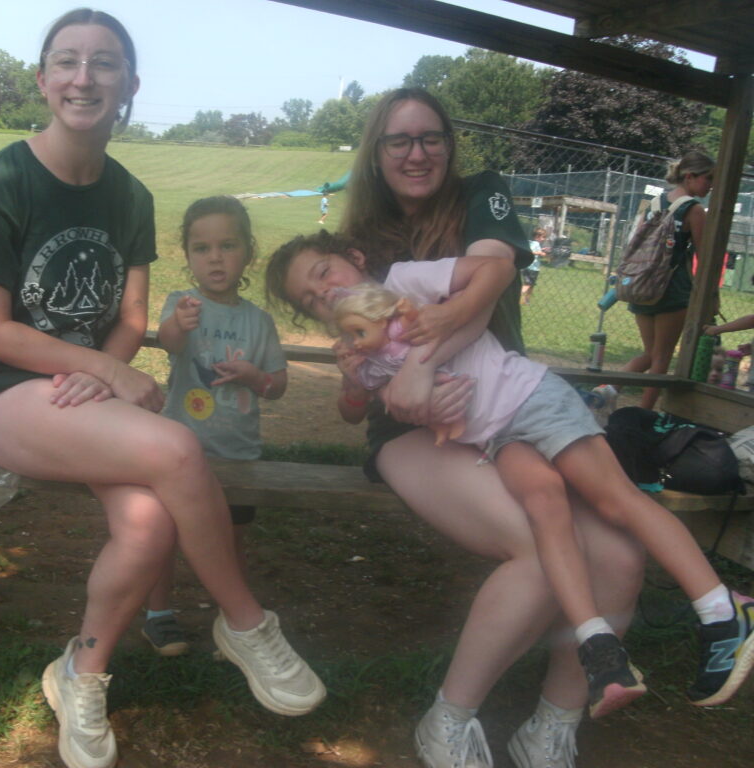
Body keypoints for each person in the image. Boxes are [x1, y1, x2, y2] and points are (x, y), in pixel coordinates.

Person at [0, 10, 324, 768]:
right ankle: (246, 623)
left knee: (148, 525)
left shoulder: (131, 198)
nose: (84, 78)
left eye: (104, 63)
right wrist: (106, 372)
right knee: (177, 450)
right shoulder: (1, 181)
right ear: (43, 80)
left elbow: (132, 317)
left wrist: (101, 368)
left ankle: (79, 673)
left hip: (83, 399)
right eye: (67, 61)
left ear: (130, 85)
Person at [267, 87, 650, 768]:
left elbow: (491, 277)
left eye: (430, 137)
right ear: (376, 153)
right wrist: (405, 392)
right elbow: (365, 385)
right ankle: (449, 717)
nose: (416, 153)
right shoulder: (360, 246)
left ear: (449, 142)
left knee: (619, 556)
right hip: (415, 433)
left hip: (504, 407)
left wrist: (423, 362)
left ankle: (553, 724)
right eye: (398, 141)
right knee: (539, 545)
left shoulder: (481, 194)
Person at [317, 247, 754, 720]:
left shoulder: (407, 291)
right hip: (497, 437)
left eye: (321, 274)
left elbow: (490, 269)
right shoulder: (372, 353)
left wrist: (445, 314)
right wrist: (355, 374)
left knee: (614, 500)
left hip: (531, 400)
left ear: (356, 261)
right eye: (309, 298)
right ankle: (598, 644)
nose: (322, 293)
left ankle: (724, 611)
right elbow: (377, 400)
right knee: (544, 508)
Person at [142, 195, 287, 656]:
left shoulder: (259, 321)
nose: (215, 258)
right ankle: (158, 615)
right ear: (187, 255)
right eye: (202, 248)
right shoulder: (181, 305)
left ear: (248, 251)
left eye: (228, 245)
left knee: (230, 541)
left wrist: (255, 377)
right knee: (165, 534)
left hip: (238, 453)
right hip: (182, 452)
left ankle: (233, 622)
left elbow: (278, 385)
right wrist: (179, 325)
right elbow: (168, 343)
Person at [620, 151, 715, 410]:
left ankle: (605, 389)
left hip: (642, 285)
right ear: (690, 176)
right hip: (672, 290)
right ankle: (644, 414)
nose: (711, 186)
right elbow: (705, 257)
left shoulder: (654, 202)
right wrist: (711, 296)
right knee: (661, 358)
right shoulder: (694, 210)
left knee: (650, 354)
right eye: (708, 178)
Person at [520, 227, 545, 305]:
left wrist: (541, 250)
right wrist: (540, 253)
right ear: (537, 236)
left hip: (529, 267)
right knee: (528, 284)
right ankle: (518, 295)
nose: (544, 239)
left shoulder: (531, 242)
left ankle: (526, 300)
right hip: (532, 268)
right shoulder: (536, 243)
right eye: (543, 237)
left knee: (531, 285)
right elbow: (530, 251)